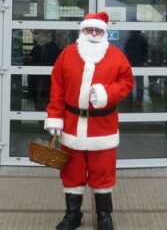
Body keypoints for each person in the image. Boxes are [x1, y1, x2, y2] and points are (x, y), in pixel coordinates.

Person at [45, 12, 134, 230]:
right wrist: (54, 116)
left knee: (103, 171)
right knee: (71, 172)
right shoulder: (67, 54)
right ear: (82, 31)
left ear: (104, 33)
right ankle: (73, 214)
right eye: (89, 30)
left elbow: (127, 82)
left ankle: (104, 215)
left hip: (102, 126)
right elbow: (57, 87)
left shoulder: (116, 55)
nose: (93, 34)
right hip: (72, 125)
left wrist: (107, 93)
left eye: (98, 30)